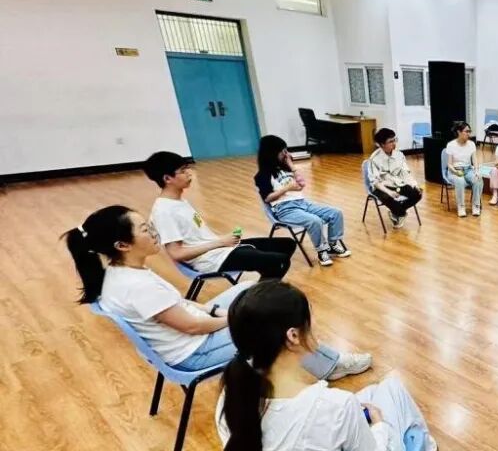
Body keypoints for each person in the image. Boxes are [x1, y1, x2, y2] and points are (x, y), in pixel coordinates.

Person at [216, 280, 459, 451]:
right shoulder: (334, 405)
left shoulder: (232, 401)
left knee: (372, 393)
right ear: (293, 336)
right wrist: (379, 425)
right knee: (392, 389)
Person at [63, 206, 371, 378]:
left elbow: (180, 308)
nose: (154, 233)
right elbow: (192, 327)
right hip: (195, 351)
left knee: (251, 289)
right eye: (145, 229)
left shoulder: (119, 274)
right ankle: (331, 365)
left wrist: (215, 310)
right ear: (122, 245)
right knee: (278, 320)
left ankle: (315, 358)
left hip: (189, 335)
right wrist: (234, 317)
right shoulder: (137, 286)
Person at [144, 151, 296, 280]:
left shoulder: (179, 201)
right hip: (209, 260)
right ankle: (261, 296)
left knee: (286, 244)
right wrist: (220, 242)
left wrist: (221, 241)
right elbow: (177, 254)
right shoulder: (164, 211)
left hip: (218, 249)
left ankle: (265, 287)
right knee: (278, 261)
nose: (189, 173)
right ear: (167, 178)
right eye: (183, 171)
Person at [255, 135, 350, 267]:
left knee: (336, 213)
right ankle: (321, 251)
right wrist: (286, 188)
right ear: (271, 153)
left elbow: (302, 184)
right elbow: (267, 198)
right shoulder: (262, 175)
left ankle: (333, 244)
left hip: (302, 203)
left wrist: (291, 165)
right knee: (314, 221)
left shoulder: (286, 168)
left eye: (286, 150)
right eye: (282, 151)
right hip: (285, 210)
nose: (286, 154)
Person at [368, 128, 423, 228]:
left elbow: (406, 173)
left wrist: (414, 184)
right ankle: (401, 213)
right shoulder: (374, 159)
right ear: (382, 144)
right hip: (381, 187)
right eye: (390, 141)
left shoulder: (399, 155)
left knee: (417, 194)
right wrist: (389, 192)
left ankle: (396, 212)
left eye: (394, 140)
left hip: (397, 184)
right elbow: (375, 182)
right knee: (387, 197)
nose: (394, 144)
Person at [444, 121, 482, 217]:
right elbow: (449, 164)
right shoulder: (451, 145)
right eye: (466, 131)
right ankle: (461, 207)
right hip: (455, 171)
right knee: (460, 181)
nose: (469, 133)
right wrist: (456, 172)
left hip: (468, 170)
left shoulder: (471, 144)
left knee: (478, 179)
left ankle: (476, 206)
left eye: (469, 131)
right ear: (459, 132)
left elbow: (475, 160)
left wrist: (476, 171)